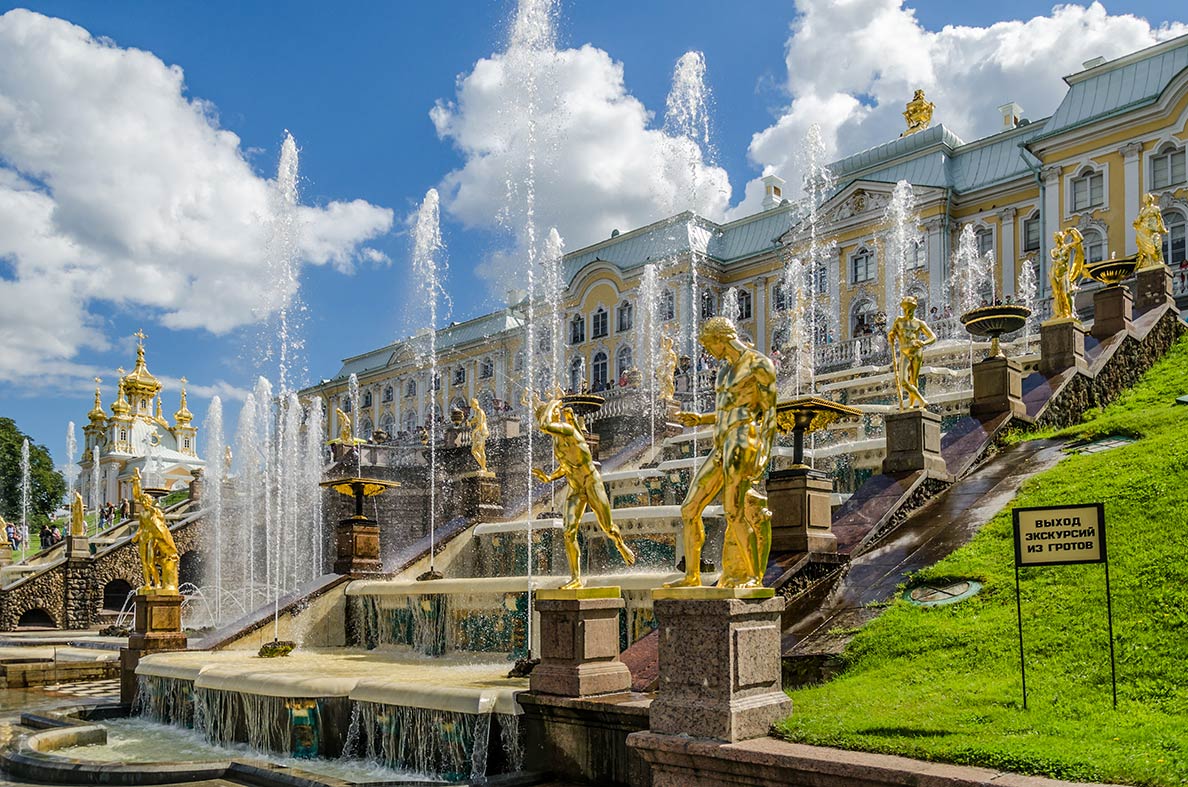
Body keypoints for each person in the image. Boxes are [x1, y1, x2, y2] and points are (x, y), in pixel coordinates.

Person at [665, 316, 778, 590]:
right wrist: (701, 419)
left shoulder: (758, 363)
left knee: (733, 511)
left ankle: (753, 576)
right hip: (720, 443)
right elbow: (726, 410)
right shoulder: (724, 371)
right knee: (689, 508)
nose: (709, 352)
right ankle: (692, 575)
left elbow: (770, 412)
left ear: (721, 339)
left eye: (708, 345)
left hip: (744, 438)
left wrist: (764, 452)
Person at [528, 389, 635, 589]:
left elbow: (544, 425)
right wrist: (549, 477)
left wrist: (554, 402)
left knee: (608, 528)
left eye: (547, 417)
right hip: (575, 488)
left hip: (591, 482)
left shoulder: (570, 430)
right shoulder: (557, 443)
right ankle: (576, 578)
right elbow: (567, 466)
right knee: (568, 532)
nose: (543, 423)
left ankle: (621, 545)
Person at [887, 295, 938, 410]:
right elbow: (891, 334)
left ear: (914, 308)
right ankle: (922, 400)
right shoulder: (899, 321)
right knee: (904, 382)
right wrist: (890, 336)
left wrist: (923, 343)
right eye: (905, 308)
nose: (906, 311)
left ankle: (911, 405)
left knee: (913, 380)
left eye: (909, 308)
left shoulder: (919, 323)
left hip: (917, 352)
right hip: (904, 352)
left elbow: (933, 337)